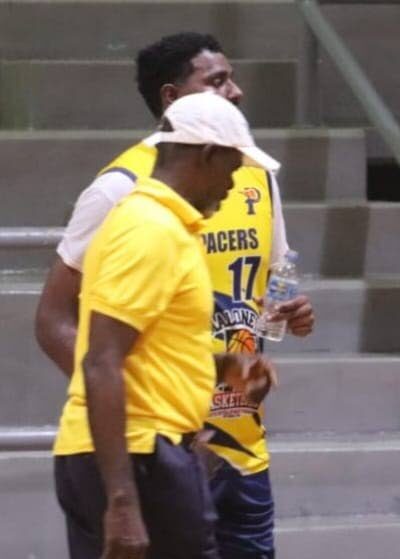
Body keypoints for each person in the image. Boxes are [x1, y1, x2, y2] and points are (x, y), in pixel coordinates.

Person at [34, 32, 315, 558]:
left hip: (232, 432)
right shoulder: (127, 195)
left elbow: (267, 290)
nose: (236, 91)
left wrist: (277, 325)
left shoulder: (248, 174)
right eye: (217, 81)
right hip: (153, 445)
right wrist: (133, 412)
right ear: (174, 100)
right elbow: (62, 325)